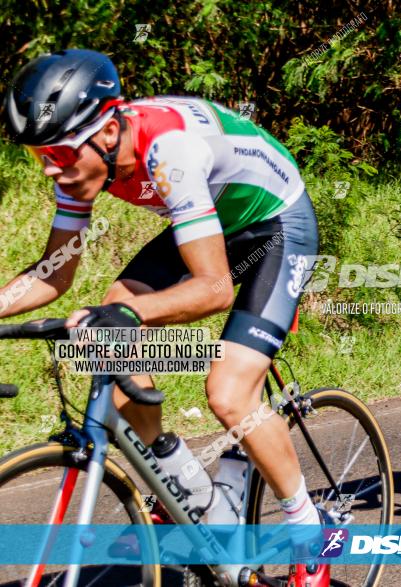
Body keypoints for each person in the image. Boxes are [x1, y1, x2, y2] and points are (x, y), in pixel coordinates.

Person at [2, 48, 327, 585]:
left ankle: (308, 530)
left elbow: (215, 288)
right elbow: (53, 273)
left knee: (228, 392)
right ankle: (186, 488)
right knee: (110, 341)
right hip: (209, 216)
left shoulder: (170, 152)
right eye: (41, 157)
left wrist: (126, 310)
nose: (51, 170)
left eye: (57, 154)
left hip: (275, 226)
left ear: (106, 133)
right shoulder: (82, 162)